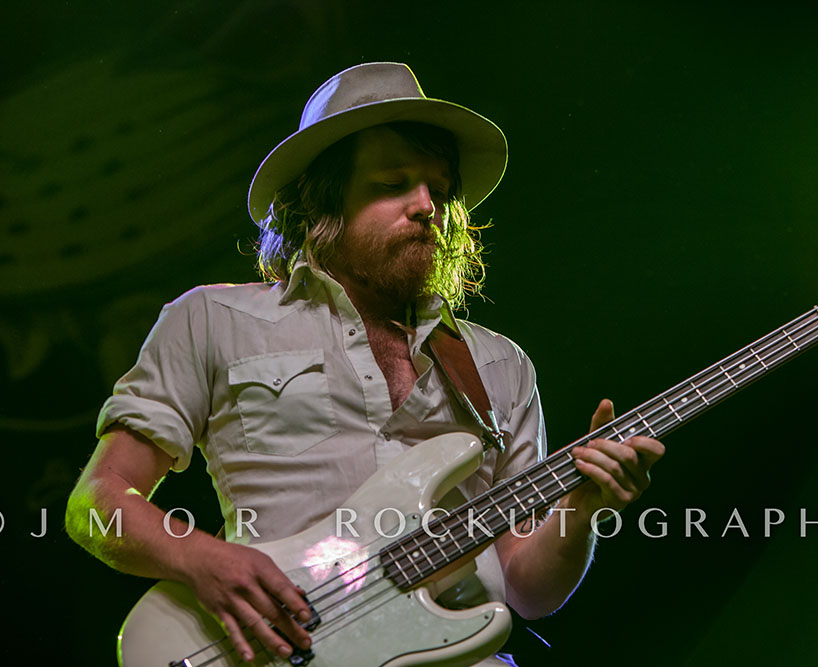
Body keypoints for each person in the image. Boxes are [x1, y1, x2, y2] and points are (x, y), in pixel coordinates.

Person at [66, 62, 665, 666]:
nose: (427, 205)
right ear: (322, 201)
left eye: (439, 187)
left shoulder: (499, 364)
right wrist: (201, 560)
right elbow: (98, 501)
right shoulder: (213, 319)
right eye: (393, 182)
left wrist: (581, 511)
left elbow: (526, 591)